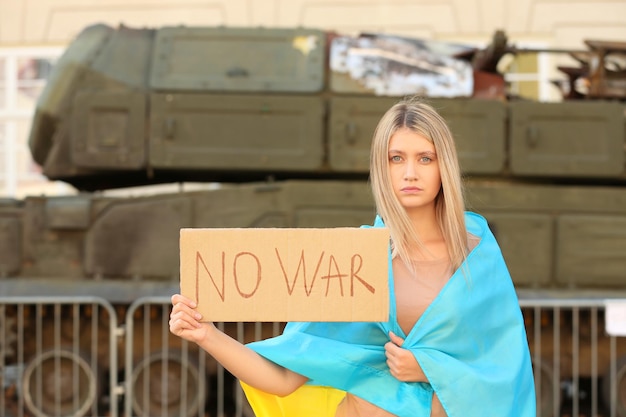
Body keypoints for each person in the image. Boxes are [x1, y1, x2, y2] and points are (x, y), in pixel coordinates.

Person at [169, 96, 536, 416]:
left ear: (445, 167)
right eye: (397, 158)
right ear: (381, 166)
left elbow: (507, 375)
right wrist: (207, 335)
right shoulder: (356, 260)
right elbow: (283, 377)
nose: (410, 172)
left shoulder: (477, 257)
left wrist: (430, 368)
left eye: (425, 158)